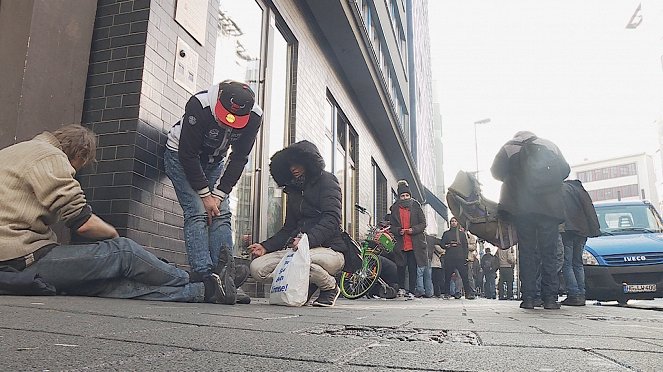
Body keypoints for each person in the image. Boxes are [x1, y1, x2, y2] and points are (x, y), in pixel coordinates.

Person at [0, 125, 232, 304]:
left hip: (11, 261)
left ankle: (205, 293)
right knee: (125, 251)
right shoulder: (49, 156)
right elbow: (81, 222)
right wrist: (112, 235)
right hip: (19, 259)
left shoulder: (15, 152)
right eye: (80, 166)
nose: (76, 172)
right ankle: (200, 279)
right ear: (79, 154)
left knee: (108, 284)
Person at [164, 80, 262, 304]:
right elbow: (187, 155)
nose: (229, 124)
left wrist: (218, 195)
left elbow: (239, 158)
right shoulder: (200, 105)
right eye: (226, 116)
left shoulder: (254, 116)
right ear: (218, 100)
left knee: (222, 214)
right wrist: (205, 195)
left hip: (214, 162)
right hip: (180, 158)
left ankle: (225, 278)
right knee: (197, 212)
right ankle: (206, 281)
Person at [248, 141, 346, 307]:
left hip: (330, 250)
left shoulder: (328, 180)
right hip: (297, 250)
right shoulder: (294, 191)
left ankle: (330, 286)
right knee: (257, 268)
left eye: (297, 163)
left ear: (308, 162)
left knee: (301, 261)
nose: (293, 168)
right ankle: (306, 284)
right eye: (290, 165)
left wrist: (307, 241)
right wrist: (265, 246)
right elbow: (288, 229)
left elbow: (332, 219)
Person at [491, 131, 570, 310]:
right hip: (549, 209)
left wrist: (515, 178)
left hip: (523, 208)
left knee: (527, 252)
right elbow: (565, 170)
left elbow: (495, 172)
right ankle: (550, 299)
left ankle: (529, 298)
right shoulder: (549, 144)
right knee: (549, 253)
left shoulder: (509, 147)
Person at [560, 179, 601, 306]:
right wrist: (594, 229)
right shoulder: (581, 191)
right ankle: (581, 294)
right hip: (583, 231)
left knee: (567, 263)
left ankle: (573, 294)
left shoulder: (563, 189)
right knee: (577, 263)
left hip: (568, 230)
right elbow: (590, 210)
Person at [390, 180, 431, 298]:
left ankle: (412, 291)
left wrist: (413, 229)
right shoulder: (394, 208)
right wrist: (398, 230)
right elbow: (392, 226)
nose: (405, 197)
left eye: (407, 195)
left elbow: (423, 223)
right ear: (399, 196)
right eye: (402, 196)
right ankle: (402, 288)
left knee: (413, 267)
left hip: (414, 243)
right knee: (401, 267)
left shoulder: (416, 206)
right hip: (401, 243)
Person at [440, 217, 476, 299]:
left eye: (455, 221)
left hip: (460, 257)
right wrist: (447, 246)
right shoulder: (446, 234)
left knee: (464, 276)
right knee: (447, 276)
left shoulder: (462, 234)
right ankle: (447, 293)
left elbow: (465, 247)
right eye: (452, 221)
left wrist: (465, 257)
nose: (453, 223)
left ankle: (468, 294)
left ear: (457, 223)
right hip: (449, 257)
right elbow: (442, 243)